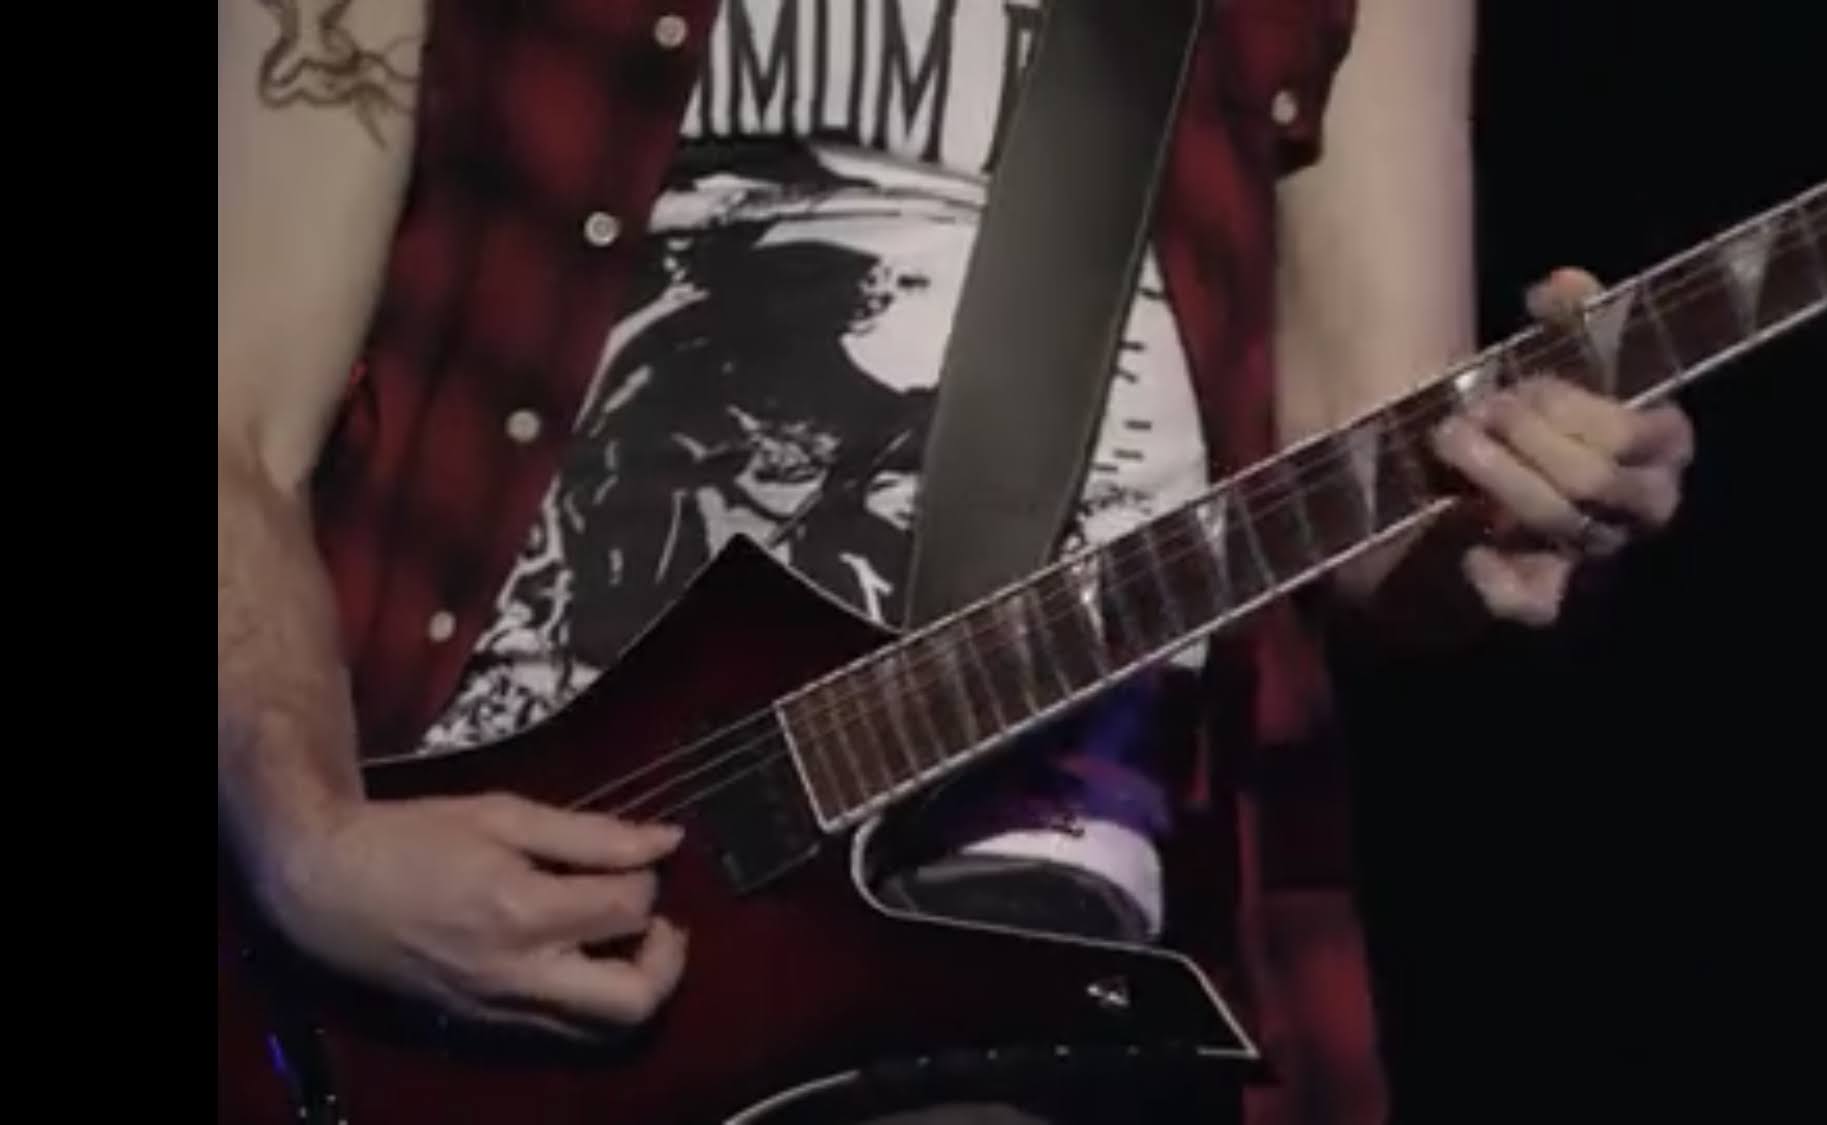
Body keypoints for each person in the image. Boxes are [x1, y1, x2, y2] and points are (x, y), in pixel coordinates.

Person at [215, 1, 1697, 1122]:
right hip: (470, 908)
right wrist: (306, 844)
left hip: (1037, 931)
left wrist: (1513, 510)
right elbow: (235, 419)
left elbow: (1377, 487)